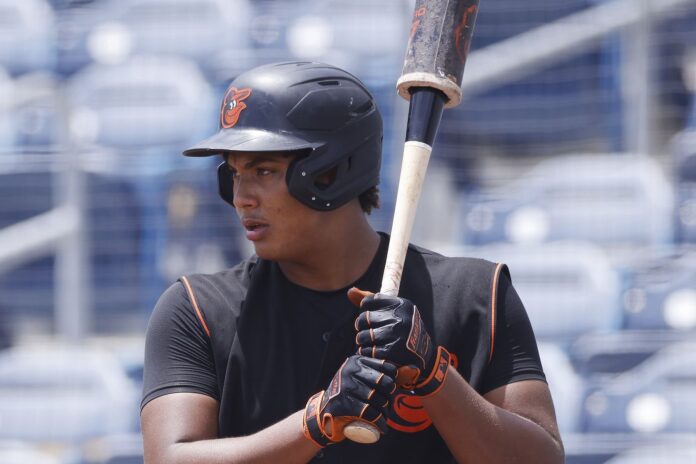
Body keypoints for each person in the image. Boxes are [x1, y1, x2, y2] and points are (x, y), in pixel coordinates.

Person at [140, 61, 564, 464]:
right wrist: (316, 422)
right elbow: (169, 458)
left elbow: (541, 458)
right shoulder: (199, 309)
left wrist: (434, 375)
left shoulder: (473, 295)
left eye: (263, 171)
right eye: (234, 173)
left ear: (333, 171)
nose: (241, 197)